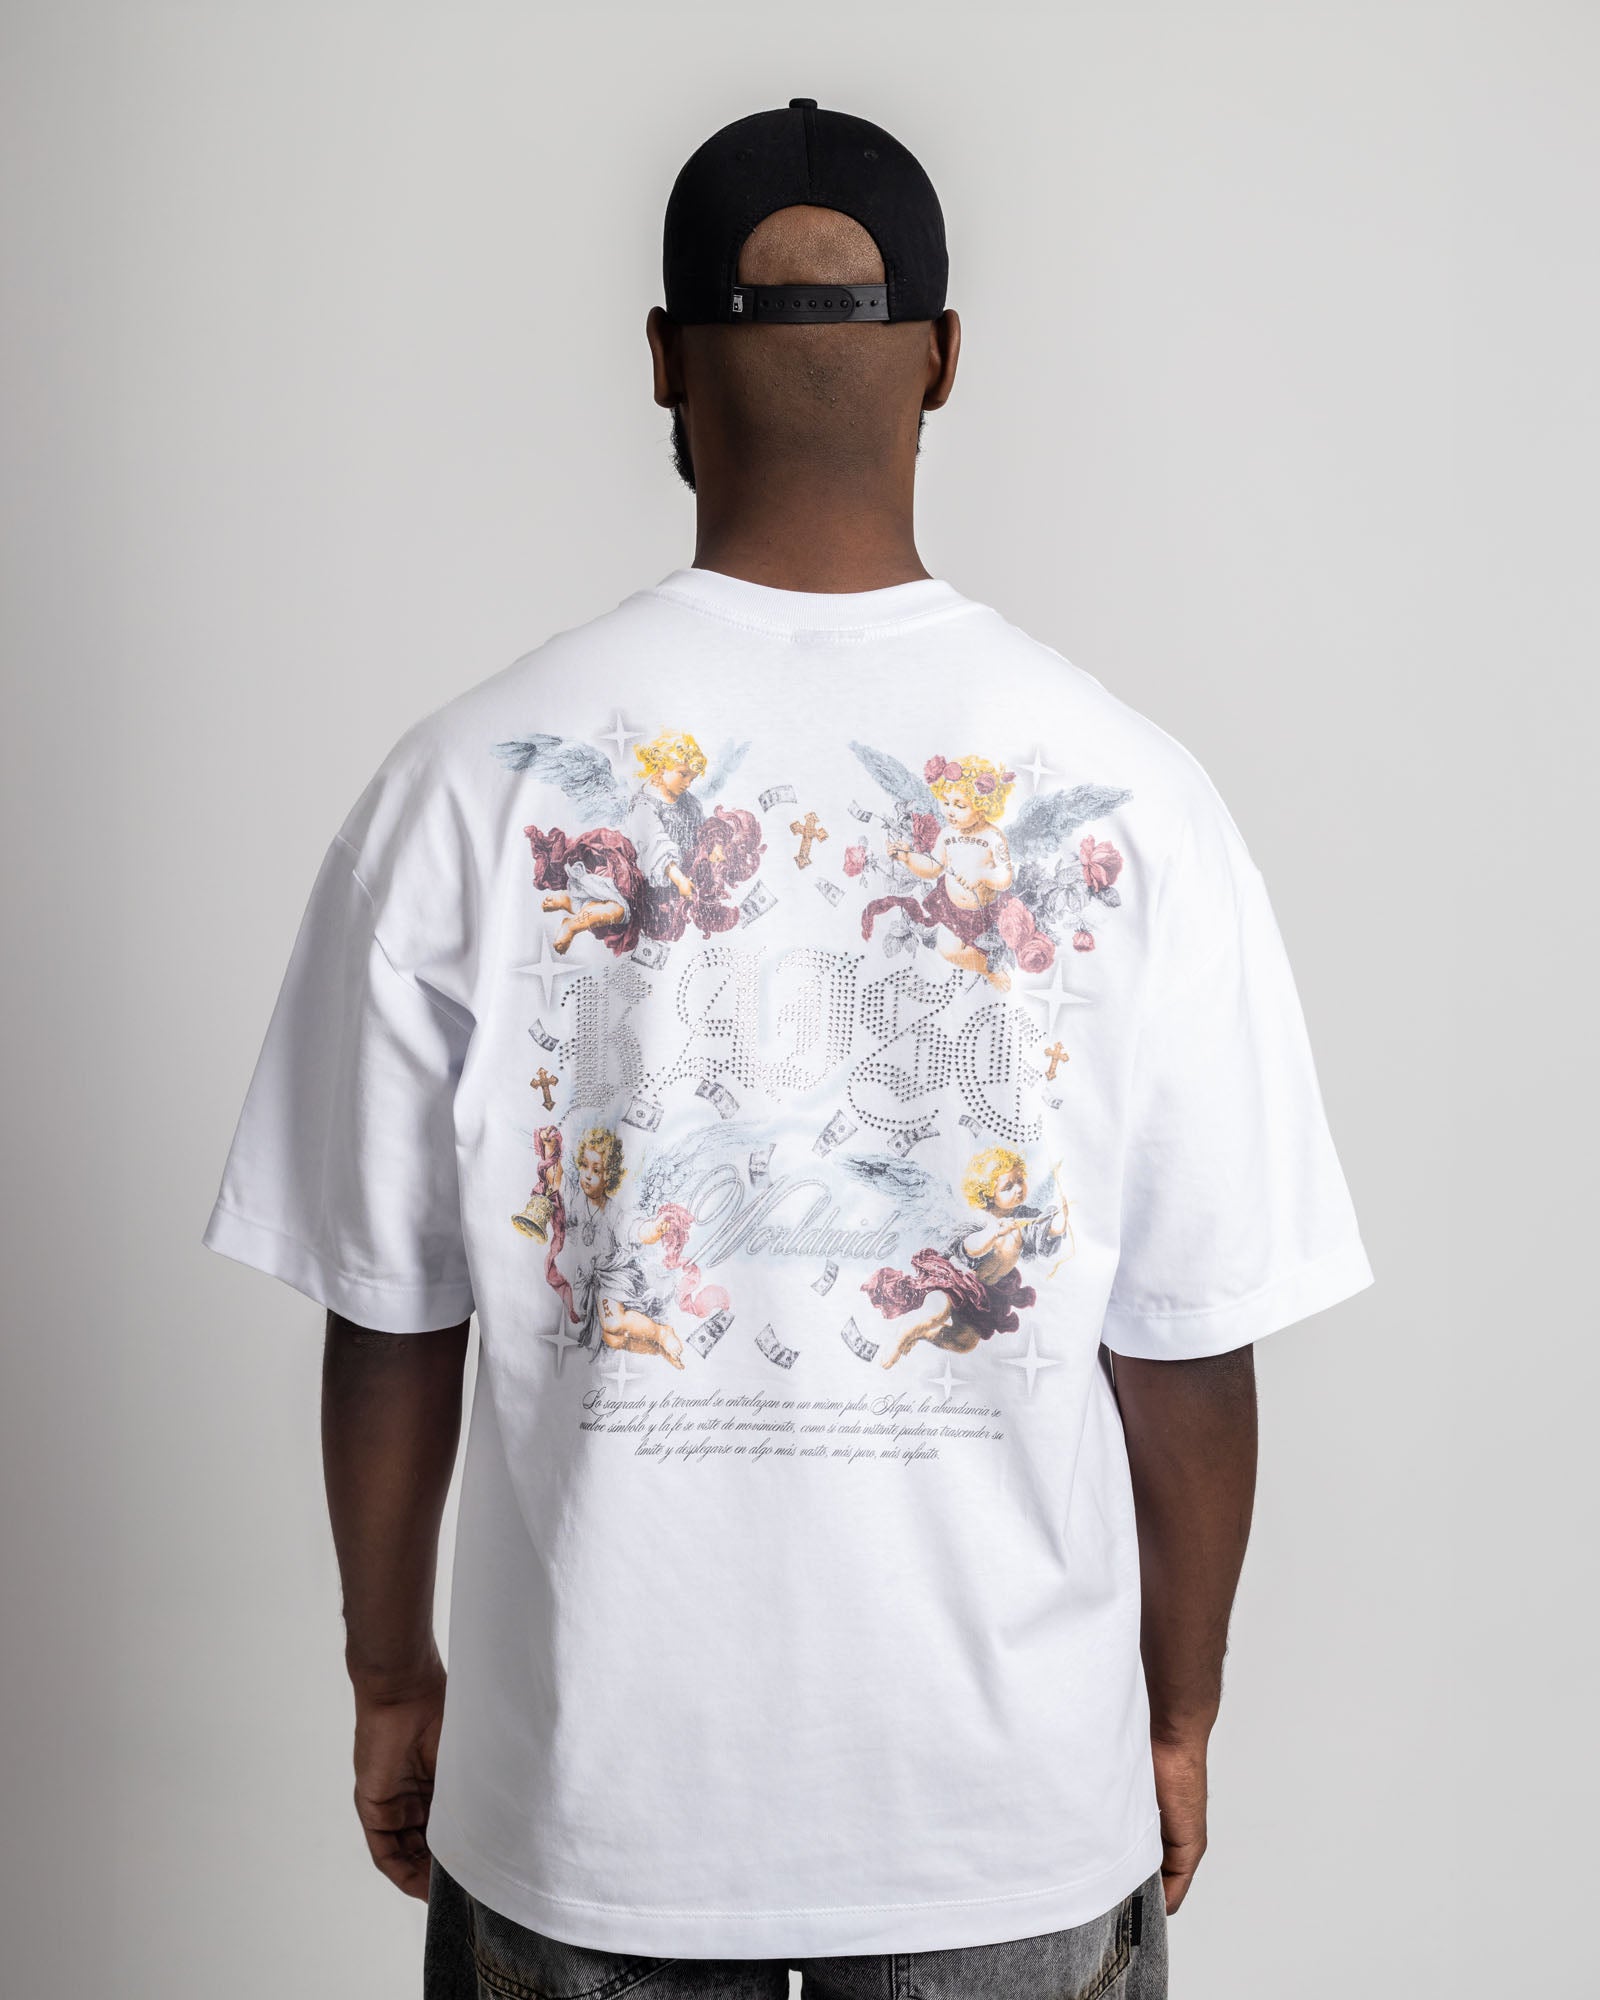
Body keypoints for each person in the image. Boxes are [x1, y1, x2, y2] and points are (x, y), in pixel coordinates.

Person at [204, 98, 1372, 1998]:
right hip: (1007, 1832)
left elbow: (391, 1320)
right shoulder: (1139, 798)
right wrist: (1175, 1719)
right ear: (947, 358)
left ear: (662, 361)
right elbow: (1187, 1354)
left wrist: (392, 1680)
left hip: (591, 1831)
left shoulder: (462, 787)